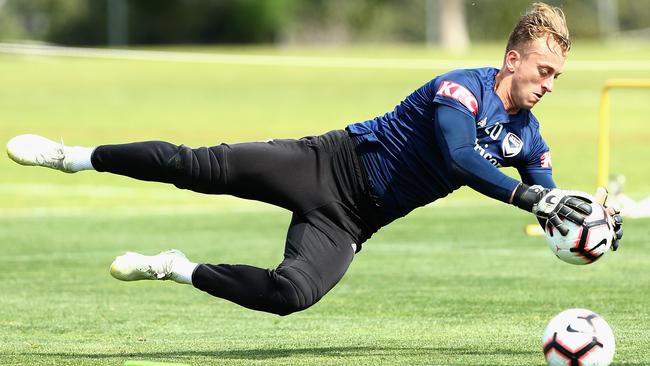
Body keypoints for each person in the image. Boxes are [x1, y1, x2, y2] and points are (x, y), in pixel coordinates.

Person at [6, 2, 622, 316]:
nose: (549, 83)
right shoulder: (460, 87)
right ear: (513, 59)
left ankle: (172, 266)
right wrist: (530, 197)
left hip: (352, 222)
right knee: (194, 167)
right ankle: (71, 156)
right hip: (327, 163)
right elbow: (460, 158)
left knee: (291, 296)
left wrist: (581, 219)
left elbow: (548, 199)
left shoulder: (532, 138)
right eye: (544, 70)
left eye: (558, 76)